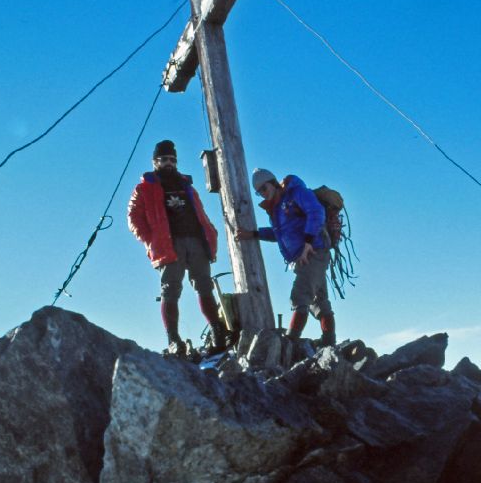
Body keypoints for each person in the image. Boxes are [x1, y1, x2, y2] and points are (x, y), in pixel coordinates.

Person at [127, 140, 228, 358]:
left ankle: (217, 332)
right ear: (155, 162)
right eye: (164, 160)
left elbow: (199, 212)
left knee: (204, 287)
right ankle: (173, 339)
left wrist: (210, 233)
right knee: (170, 290)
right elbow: (133, 217)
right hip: (168, 245)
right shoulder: (144, 187)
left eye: (172, 160)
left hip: (196, 241)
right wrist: (151, 239)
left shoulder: (186, 185)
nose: (169, 164)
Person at [236, 168, 336, 346]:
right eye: (259, 193)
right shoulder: (275, 210)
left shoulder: (296, 193)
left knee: (300, 296)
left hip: (313, 252)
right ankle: (329, 342)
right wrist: (253, 234)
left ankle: (290, 341)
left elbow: (316, 212)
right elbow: (280, 234)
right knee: (319, 301)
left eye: (264, 189)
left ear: (273, 183)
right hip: (304, 256)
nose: (263, 194)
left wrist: (307, 243)